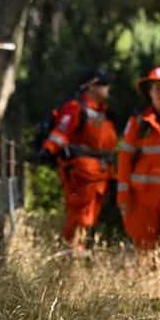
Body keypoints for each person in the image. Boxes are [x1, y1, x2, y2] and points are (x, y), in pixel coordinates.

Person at [41, 68, 119, 252]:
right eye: (104, 84)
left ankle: (77, 253)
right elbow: (60, 134)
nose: (108, 88)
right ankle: (71, 257)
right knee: (78, 219)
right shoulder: (76, 109)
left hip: (100, 176)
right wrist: (48, 150)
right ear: (92, 87)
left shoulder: (103, 113)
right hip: (81, 175)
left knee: (87, 220)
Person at [118, 66, 160, 250]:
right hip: (143, 199)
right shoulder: (138, 122)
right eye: (156, 88)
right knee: (145, 248)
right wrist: (123, 197)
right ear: (149, 92)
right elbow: (124, 159)